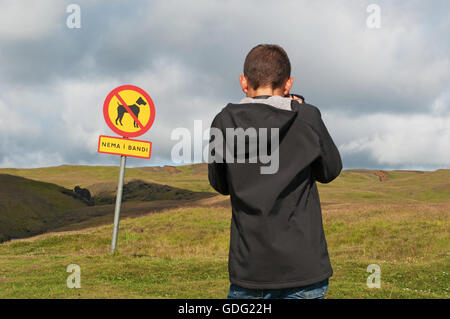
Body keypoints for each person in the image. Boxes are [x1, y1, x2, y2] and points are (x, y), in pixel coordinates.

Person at [208, 44, 342, 299]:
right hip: (304, 268)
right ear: (288, 83)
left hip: (249, 267)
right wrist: (304, 112)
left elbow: (220, 184)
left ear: (243, 82)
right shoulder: (307, 117)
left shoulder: (222, 122)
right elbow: (330, 171)